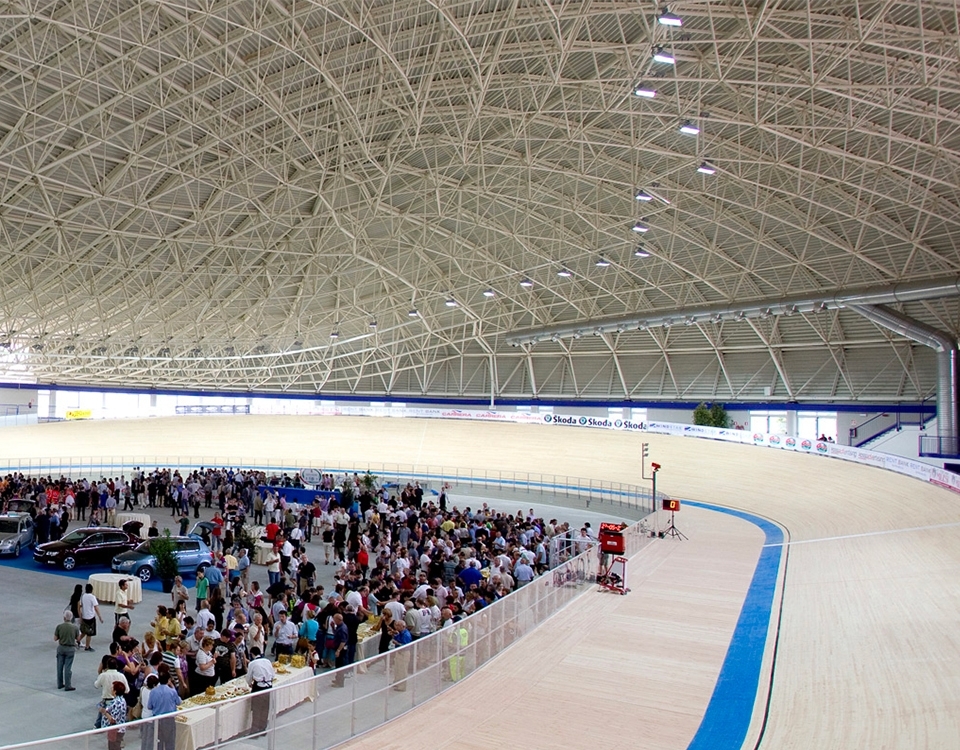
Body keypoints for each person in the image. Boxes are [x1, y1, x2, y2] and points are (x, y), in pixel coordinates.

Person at [146, 672, 181, 750]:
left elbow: (149, 706)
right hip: (169, 720)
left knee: (158, 741)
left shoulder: (153, 691)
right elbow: (179, 702)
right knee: (170, 741)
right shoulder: (172, 691)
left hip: (157, 720)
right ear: (168, 680)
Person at [245, 647, 275, 736]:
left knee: (257, 709)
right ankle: (263, 728)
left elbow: (248, 678)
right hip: (269, 686)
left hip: (259, 687)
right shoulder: (267, 661)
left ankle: (255, 731)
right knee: (265, 708)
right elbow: (273, 674)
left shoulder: (252, 663)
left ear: (252, 654)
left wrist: (250, 683)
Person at [54, 610, 80, 691]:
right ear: (71, 618)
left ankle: (60, 684)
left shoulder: (59, 626)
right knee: (68, 668)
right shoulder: (75, 627)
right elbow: (78, 639)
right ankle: (68, 685)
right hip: (70, 648)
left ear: (64, 617)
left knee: (59, 666)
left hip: (61, 647)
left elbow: (55, 638)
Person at [99, 681, 128, 750]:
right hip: (119, 729)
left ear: (115, 691)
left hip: (115, 730)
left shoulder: (117, 702)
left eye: (112, 688)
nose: (111, 689)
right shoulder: (122, 700)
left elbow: (113, 720)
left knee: (113, 747)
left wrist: (104, 712)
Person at [80, 583, 104, 651]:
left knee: (84, 631)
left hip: (84, 616)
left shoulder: (83, 596)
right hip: (90, 617)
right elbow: (96, 607)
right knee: (89, 633)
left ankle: (77, 640)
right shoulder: (92, 597)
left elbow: (81, 606)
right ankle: (87, 646)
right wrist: (100, 617)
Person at [329, 613, 349, 687]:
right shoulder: (339, 627)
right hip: (338, 648)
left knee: (340, 665)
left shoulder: (342, 629)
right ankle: (338, 679)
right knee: (338, 665)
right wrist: (333, 628)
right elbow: (336, 634)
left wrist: (338, 650)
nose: (333, 620)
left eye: (334, 619)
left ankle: (340, 682)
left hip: (341, 650)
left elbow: (343, 641)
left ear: (338, 619)